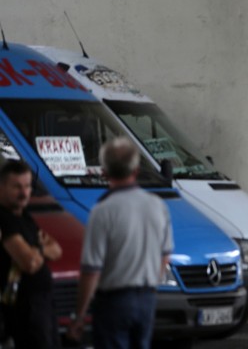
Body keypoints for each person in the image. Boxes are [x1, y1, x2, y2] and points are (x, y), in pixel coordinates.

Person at [68, 138, 173, 348]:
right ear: (136, 169)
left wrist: (79, 316)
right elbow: (165, 255)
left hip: (113, 303)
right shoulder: (157, 205)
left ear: (104, 172)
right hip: (147, 299)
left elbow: (91, 270)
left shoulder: (102, 211)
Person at [0, 160, 62, 349]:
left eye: (27, 186)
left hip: (42, 304)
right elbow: (30, 263)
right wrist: (41, 249)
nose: (24, 193)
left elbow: (57, 249)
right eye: (17, 187)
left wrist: (37, 250)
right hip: (25, 309)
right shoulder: (5, 220)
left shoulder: (24, 216)